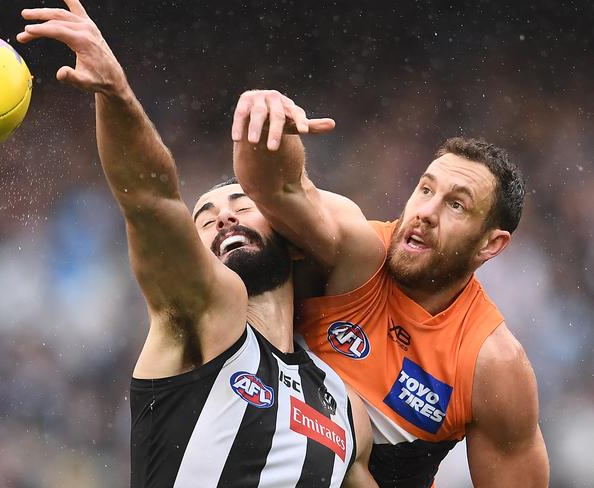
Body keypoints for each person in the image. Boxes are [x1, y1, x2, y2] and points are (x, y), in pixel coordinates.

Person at [16, 3, 377, 488]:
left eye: (241, 205)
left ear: (293, 244)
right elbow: (149, 198)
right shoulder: (205, 316)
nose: (222, 216)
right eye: (203, 219)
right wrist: (116, 93)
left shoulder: (344, 406)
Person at [231, 89, 550, 487]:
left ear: (491, 244)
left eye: (456, 205)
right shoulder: (356, 252)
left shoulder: (492, 365)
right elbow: (279, 190)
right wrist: (265, 126)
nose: (426, 212)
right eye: (426, 189)